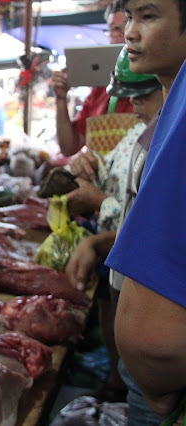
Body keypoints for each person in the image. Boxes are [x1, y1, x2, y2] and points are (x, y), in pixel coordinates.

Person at [63, 48, 163, 407]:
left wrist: (99, 208)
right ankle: (117, 381)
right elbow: (106, 171)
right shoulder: (138, 133)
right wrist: (82, 168)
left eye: (144, 95)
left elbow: (150, 232)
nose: (133, 104)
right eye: (129, 95)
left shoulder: (168, 147)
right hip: (122, 286)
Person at [104, 0, 186, 421]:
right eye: (130, 17)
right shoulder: (171, 114)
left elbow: (158, 344)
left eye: (149, 16)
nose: (130, 32)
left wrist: (154, 383)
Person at [52, 1, 134, 157]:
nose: (118, 34)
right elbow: (69, 147)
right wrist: (61, 99)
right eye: (112, 29)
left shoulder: (156, 86)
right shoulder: (99, 89)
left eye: (124, 26)